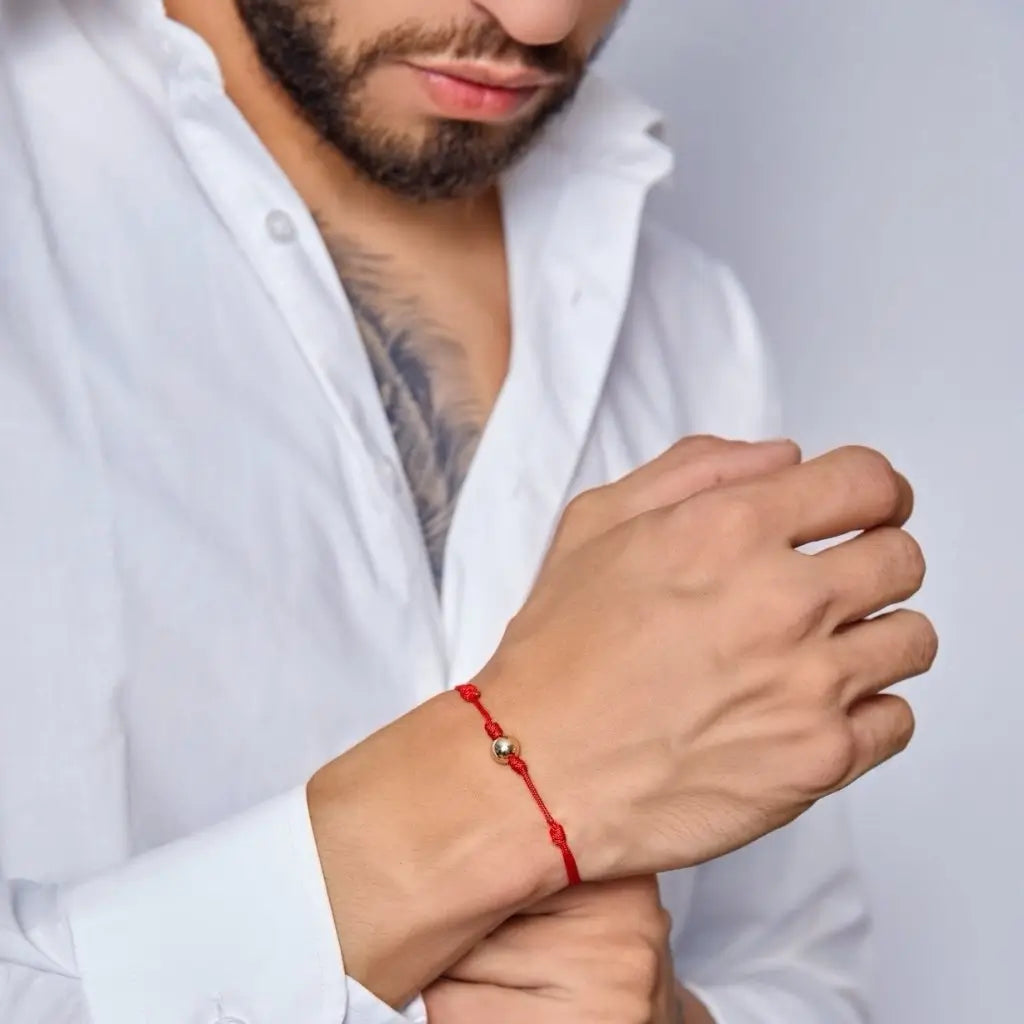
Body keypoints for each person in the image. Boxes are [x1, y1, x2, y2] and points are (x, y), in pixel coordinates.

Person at [0, 1, 937, 1022]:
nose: (539, 19)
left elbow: (795, 960)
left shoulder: (686, 319)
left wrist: (671, 1015)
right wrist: (497, 796)